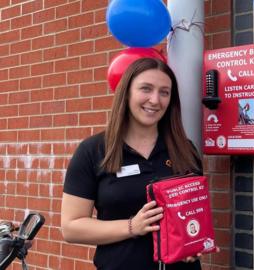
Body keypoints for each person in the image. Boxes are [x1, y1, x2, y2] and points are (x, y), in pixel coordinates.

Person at [61, 58, 204, 270]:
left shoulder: (185, 149)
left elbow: (193, 214)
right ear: (126, 93)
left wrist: (193, 243)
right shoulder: (94, 150)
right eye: (146, 89)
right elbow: (71, 228)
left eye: (164, 92)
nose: (155, 100)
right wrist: (131, 227)